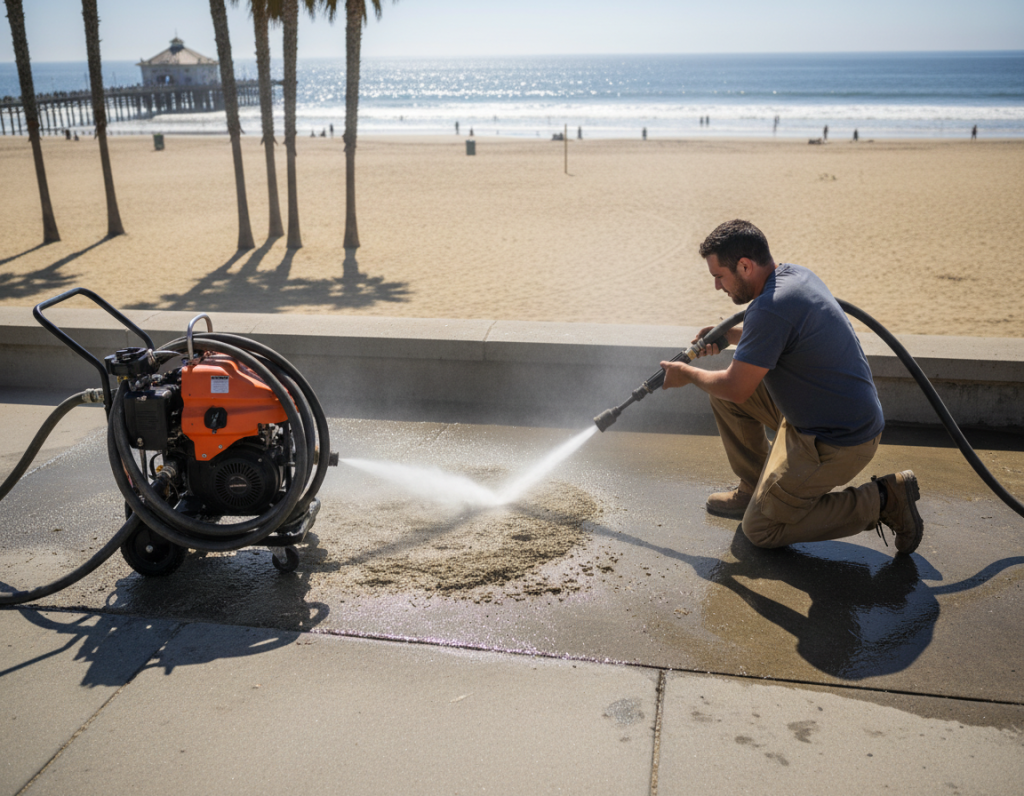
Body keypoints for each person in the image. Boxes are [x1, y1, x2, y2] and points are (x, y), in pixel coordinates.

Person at [659, 219, 924, 556]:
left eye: (719, 276)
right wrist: (731, 336)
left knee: (760, 530)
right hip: (821, 413)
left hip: (837, 440)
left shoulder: (770, 308)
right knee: (725, 396)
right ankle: (755, 487)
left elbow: (738, 386)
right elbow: (783, 338)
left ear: (745, 265)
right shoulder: (793, 276)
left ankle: (885, 500)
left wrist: (687, 374)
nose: (716, 286)